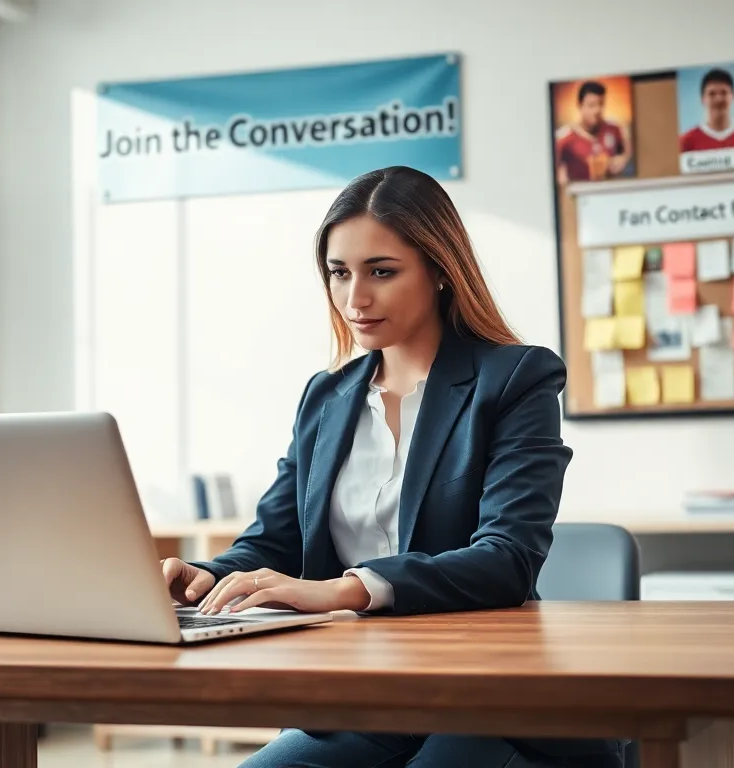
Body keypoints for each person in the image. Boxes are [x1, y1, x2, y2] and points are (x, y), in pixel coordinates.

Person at [160, 166, 623, 768]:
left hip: (486, 699)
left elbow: (507, 559)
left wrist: (344, 590)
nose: (355, 299)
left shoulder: (516, 378)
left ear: (438, 270)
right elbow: (274, 541)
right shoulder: (325, 399)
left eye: (381, 271)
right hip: (358, 698)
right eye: (339, 272)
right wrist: (202, 577)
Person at [554, 80, 630, 184]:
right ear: (580, 106)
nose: (597, 110)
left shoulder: (614, 129)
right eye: (591, 105)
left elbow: (627, 153)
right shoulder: (564, 137)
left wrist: (623, 159)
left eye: (601, 104)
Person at [679, 68, 734, 152]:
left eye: (724, 93)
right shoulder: (686, 142)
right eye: (712, 94)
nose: (718, 99)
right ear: (702, 99)